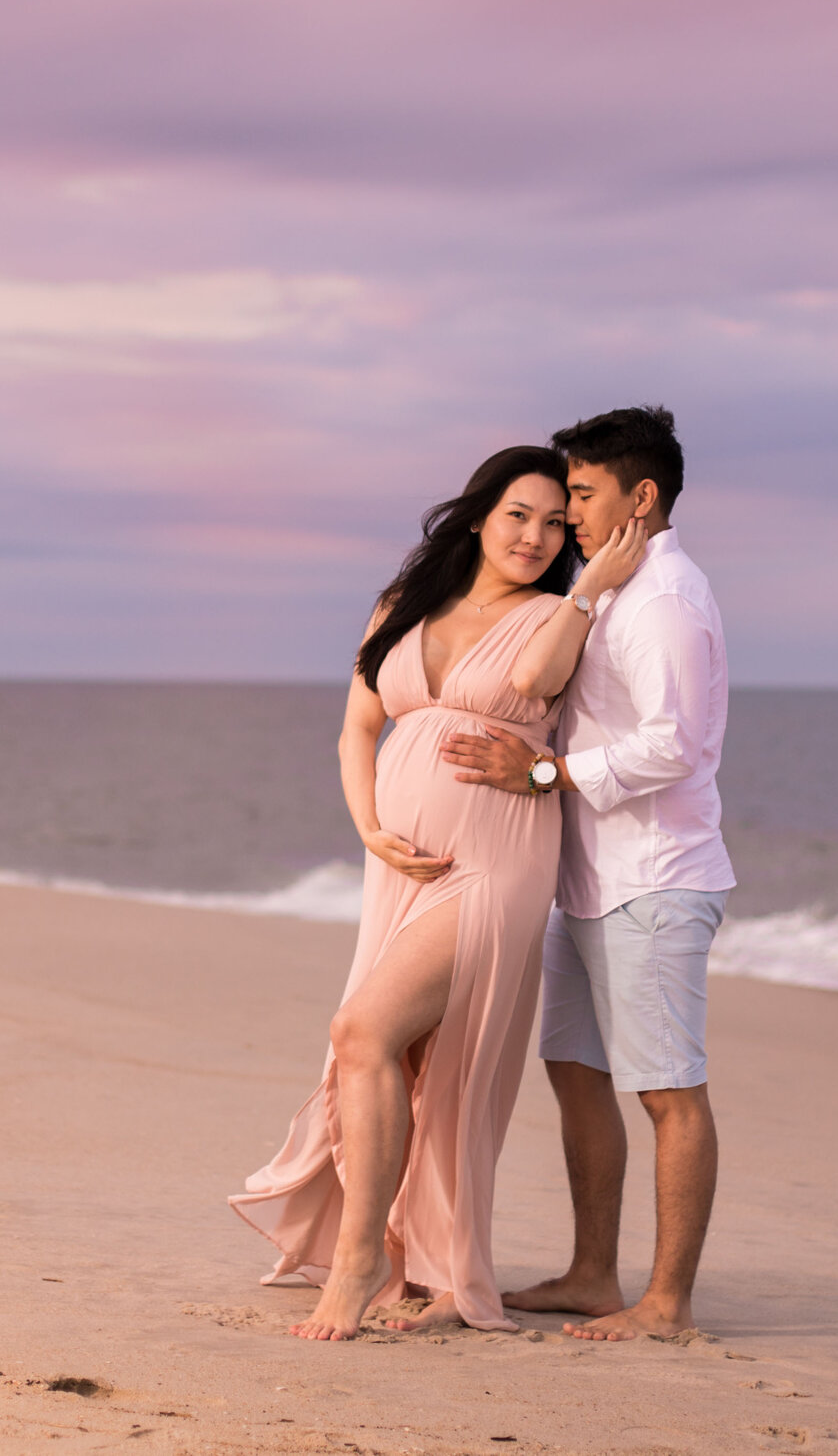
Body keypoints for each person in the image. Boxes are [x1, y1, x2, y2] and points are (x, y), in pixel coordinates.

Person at [229, 444, 648, 1340]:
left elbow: (534, 683)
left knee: (362, 1031)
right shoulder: (403, 607)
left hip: (497, 861)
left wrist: (584, 589)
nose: (537, 535)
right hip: (402, 864)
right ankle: (403, 1251)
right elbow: (357, 726)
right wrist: (368, 824)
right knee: (404, 1060)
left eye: (553, 521)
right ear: (475, 516)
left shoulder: (562, 613)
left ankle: (356, 1263)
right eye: (517, 515)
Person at [440, 406, 734, 1341]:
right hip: (588, 879)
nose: (565, 516)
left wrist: (543, 774)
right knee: (573, 1068)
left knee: (667, 1090)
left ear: (640, 498)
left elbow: (673, 748)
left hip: (654, 879)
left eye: (580, 494)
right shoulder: (610, 588)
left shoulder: (666, 603)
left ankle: (668, 1302)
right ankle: (594, 1273)